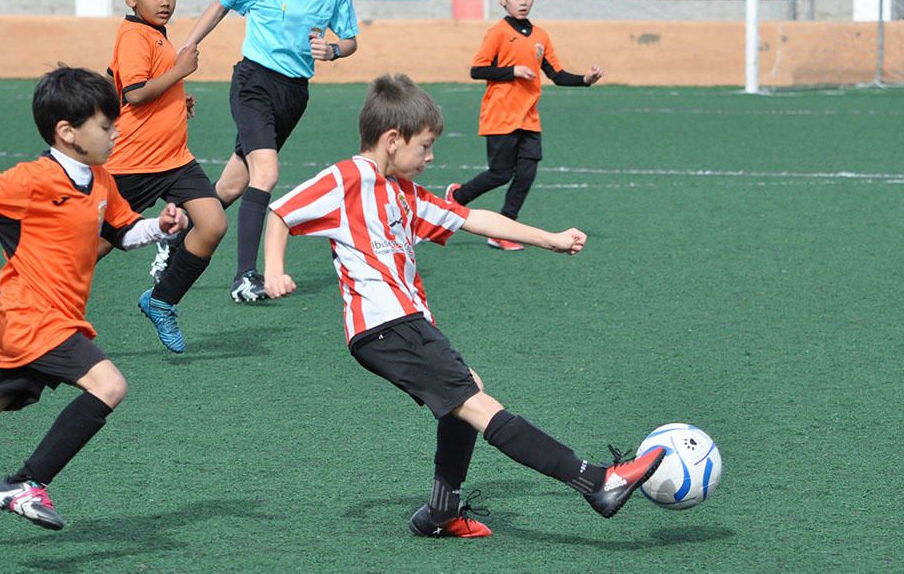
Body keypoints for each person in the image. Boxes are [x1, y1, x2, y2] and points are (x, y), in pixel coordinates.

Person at [262, 74, 664, 538]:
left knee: (467, 390)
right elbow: (281, 211)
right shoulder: (347, 177)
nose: (430, 157)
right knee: (478, 405)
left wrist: (548, 240)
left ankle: (440, 511)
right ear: (393, 140)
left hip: (404, 325)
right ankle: (597, 481)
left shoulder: (401, 191)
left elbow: (471, 218)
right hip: (386, 326)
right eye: (425, 146)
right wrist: (274, 269)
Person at [0, 67, 188, 530]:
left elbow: (121, 232)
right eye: (105, 125)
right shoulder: (32, 179)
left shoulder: (99, 178)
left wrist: (158, 229)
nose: (115, 133)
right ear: (67, 132)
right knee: (110, 385)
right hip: (32, 320)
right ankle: (25, 482)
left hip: (37, 327)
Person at [156, 0, 359, 303]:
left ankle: (176, 238)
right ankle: (245, 277)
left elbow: (350, 39)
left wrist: (334, 50)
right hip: (253, 82)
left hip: (294, 93)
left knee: (233, 185)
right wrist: (188, 44)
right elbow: (221, 5)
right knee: (264, 174)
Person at [104, 0, 227, 354]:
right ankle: (44, 308)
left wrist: (176, 98)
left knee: (212, 225)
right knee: (96, 248)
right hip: (133, 163)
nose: (165, 1)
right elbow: (135, 92)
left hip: (175, 160)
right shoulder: (135, 36)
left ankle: (161, 300)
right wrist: (179, 73)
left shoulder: (153, 33)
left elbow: (121, 83)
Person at [447, 0, 604, 251]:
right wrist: (513, 70)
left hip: (529, 118)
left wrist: (584, 80)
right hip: (500, 116)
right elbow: (477, 69)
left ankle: (503, 228)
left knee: (527, 174)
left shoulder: (541, 36)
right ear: (503, 0)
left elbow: (556, 74)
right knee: (500, 174)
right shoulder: (497, 33)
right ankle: (457, 198)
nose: (523, 2)